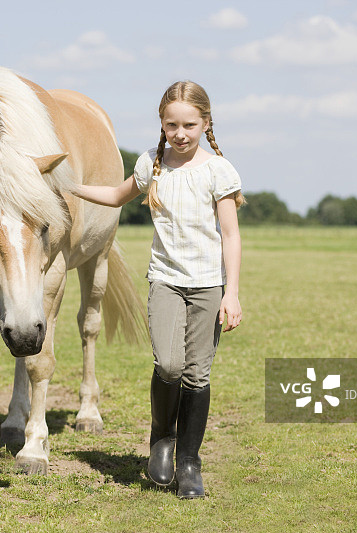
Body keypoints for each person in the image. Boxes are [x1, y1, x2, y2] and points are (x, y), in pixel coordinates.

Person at [72, 80, 243, 499]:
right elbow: (116, 196)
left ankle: (189, 462)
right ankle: (162, 439)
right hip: (166, 280)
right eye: (172, 125)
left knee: (197, 375)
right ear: (162, 124)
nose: (180, 134)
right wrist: (67, 187)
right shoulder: (152, 164)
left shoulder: (219, 171)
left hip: (208, 286)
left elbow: (230, 234)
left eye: (189, 125)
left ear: (206, 123)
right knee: (168, 365)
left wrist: (232, 292)